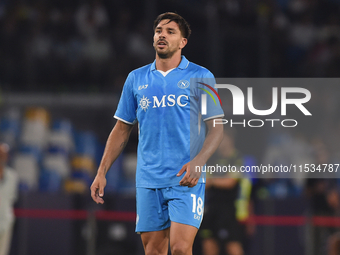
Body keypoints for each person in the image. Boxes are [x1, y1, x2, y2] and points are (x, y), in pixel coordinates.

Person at [90, 12, 224, 255]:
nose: (162, 34)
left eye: (170, 31)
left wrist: (199, 162)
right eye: (159, 30)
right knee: (153, 251)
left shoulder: (201, 76)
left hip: (186, 178)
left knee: (181, 248)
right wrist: (101, 172)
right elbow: (121, 129)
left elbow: (216, 127)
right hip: (149, 179)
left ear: (183, 42)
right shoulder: (135, 78)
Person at [200, 129, 252, 255]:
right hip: (210, 208)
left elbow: (229, 182)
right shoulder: (211, 159)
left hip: (230, 210)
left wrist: (212, 181)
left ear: (230, 140)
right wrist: (213, 181)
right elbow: (203, 183)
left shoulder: (238, 158)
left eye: (221, 139)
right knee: (209, 246)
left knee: (233, 247)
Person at [0, 143, 19, 255]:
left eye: (3, 154)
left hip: (5, 223)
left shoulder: (12, 176)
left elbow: (12, 199)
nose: (1, 157)